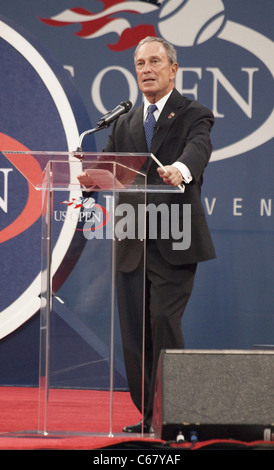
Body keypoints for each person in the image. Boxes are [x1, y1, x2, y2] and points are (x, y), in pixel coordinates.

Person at [81, 36, 216, 433]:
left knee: (164, 323)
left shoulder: (193, 112)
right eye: (140, 63)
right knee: (136, 335)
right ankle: (149, 415)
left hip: (174, 241)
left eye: (155, 62)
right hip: (131, 240)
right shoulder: (124, 122)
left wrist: (181, 170)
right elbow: (107, 166)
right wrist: (89, 177)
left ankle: (175, 413)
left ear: (173, 69)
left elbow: (198, 148)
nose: (146, 70)